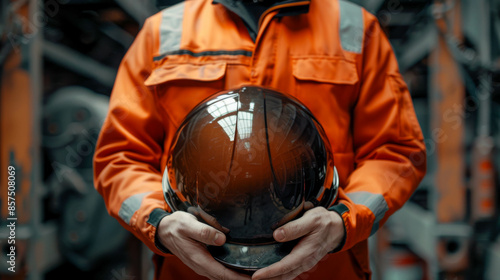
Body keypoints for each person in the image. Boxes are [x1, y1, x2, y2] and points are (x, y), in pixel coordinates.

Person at [93, 0, 427, 279]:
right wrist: (159, 222)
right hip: (193, 270)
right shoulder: (163, 33)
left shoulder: (354, 29)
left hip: (324, 267)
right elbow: (120, 156)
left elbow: (395, 151)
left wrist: (342, 221)